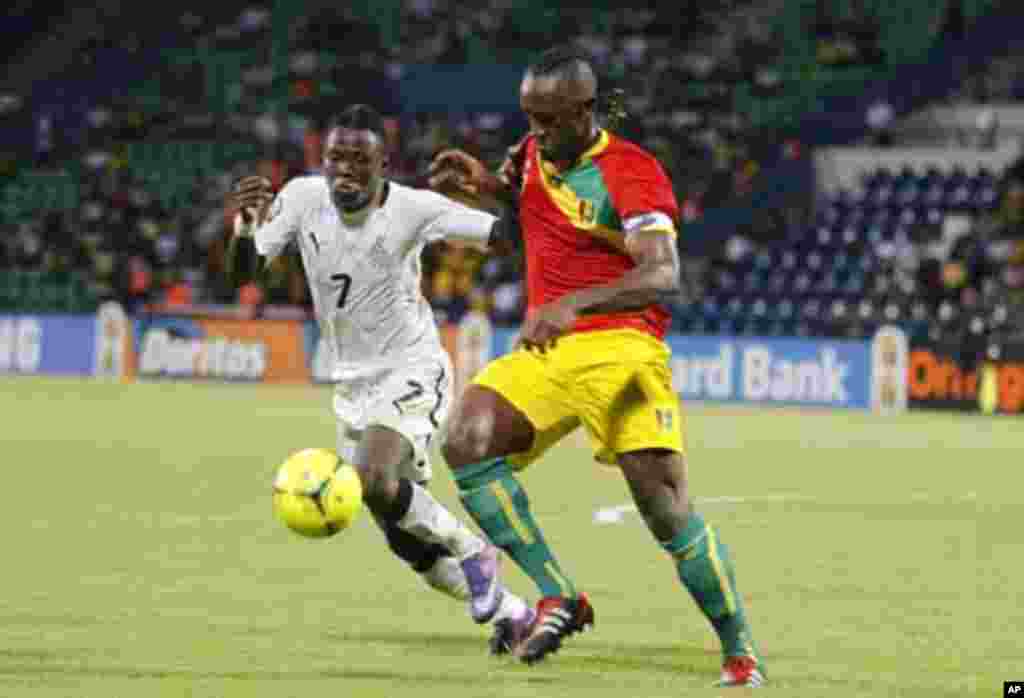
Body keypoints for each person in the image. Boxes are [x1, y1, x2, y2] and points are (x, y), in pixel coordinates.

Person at [429, 46, 765, 687]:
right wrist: (488, 185)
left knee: (665, 511)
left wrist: (573, 304)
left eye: (549, 119)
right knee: (467, 438)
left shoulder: (631, 172)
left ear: (584, 112)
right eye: (528, 117)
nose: (535, 132)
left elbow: (662, 273)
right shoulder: (534, 154)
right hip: (548, 353)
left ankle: (738, 647)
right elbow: (537, 216)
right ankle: (560, 595)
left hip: (622, 347)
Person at [228, 104, 532, 647]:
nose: (345, 171)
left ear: (382, 165)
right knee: (402, 536)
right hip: (351, 385)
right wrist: (244, 228)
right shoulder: (301, 199)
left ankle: (474, 551)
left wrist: (496, 189)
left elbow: (507, 236)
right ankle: (511, 611)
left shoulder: (414, 209)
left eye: (359, 160)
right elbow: (244, 272)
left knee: (370, 478)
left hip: (412, 366)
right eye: (335, 159)